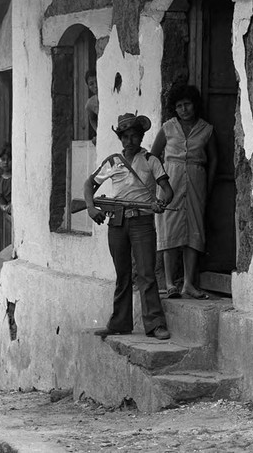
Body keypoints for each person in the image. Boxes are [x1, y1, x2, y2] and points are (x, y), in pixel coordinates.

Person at [84, 113, 174, 340]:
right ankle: (119, 323)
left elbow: (167, 189)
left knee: (146, 273)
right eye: (125, 137)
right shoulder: (113, 161)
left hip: (143, 221)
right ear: (120, 139)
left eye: (134, 136)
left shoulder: (151, 160)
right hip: (117, 222)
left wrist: (162, 203)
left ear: (142, 137)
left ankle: (155, 325)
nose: (130, 140)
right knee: (122, 274)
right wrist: (90, 208)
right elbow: (89, 184)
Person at [151, 84, 217, 300]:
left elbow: (214, 160)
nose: (183, 109)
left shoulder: (206, 129)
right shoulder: (168, 128)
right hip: (171, 181)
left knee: (194, 229)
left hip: (196, 180)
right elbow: (153, 156)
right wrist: (160, 183)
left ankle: (188, 284)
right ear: (174, 109)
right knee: (169, 229)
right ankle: (170, 283)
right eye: (179, 106)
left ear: (194, 105)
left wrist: (207, 185)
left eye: (187, 104)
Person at [0, 143, 12, 214]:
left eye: (9, 159)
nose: (6, 162)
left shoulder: (18, 178)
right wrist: (5, 208)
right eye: (3, 159)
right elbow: (2, 203)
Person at [84, 69, 99, 144]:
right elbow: (92, 119)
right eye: (91, 84)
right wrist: (98, 132)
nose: (95, 86)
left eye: (97, 81)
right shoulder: (90, 104)